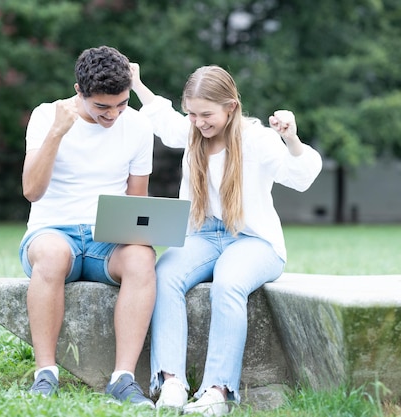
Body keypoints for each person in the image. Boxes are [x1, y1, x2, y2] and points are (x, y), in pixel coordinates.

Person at [130, 63, 322, 415]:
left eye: (206, 114)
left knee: (228, 282)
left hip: (253, 241)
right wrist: (137, 84)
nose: (198, 122)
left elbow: (301, 176)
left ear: (230, 107)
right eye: (191, 113)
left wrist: (291, 137)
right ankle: (171, 381)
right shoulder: (191, 132)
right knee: (165, 274)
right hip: (203, 234)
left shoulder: (257, 138)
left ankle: (217, 392)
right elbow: (162, 117)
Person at [19, 46, 156, 407]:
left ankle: (123, 379)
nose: (113, 115)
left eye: (121, 105)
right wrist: (57, 134)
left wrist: (144, 233)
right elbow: (32, 191)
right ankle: (45, 373)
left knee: (142, 258)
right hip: (52, 232)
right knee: (51, 255)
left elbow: (136, 200)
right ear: (79, 91)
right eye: (102, 107)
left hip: (106, 239)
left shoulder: (139, 125)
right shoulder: (47, 116)